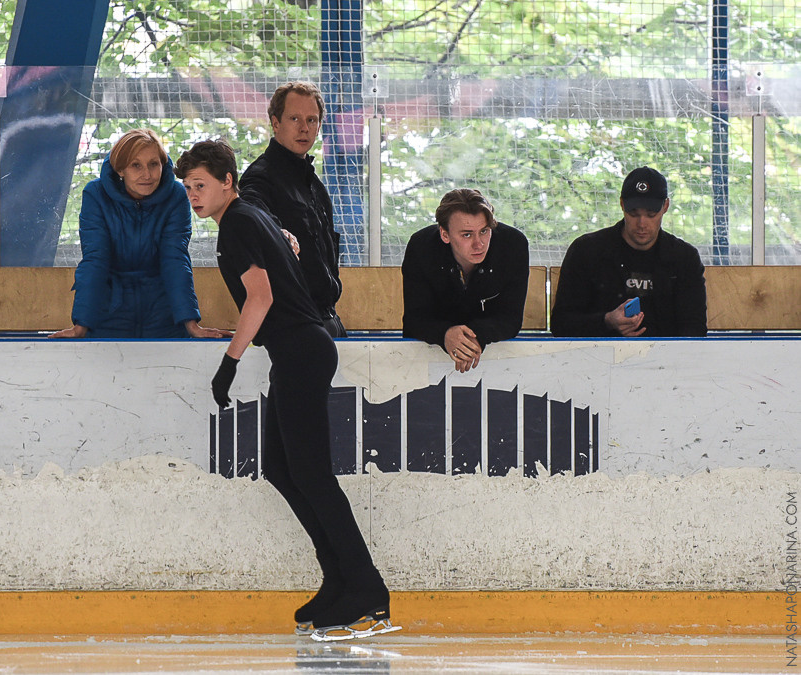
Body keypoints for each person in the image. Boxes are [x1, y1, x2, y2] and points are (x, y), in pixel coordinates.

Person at [174, 140, 393, 638]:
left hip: (301, 351)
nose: (193, 195)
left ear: (228, 180)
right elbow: (287, 250)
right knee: (281, 468)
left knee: (312, 475)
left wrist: (228, 363)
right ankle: (337, 578)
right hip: (298, 351)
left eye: (201, 185)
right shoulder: (253, 215)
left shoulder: (237, 223)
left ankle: (366, 586)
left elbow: (261, 296)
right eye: (188, 187)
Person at [50, 128, 228, 340]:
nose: (147, 174)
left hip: (163, 316)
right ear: (120, 169)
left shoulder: (176, 196)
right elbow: (95, 259)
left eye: (154, 164)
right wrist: (81, 324)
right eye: (136, 165)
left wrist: (191, 323)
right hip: (110, 315)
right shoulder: (96, 194)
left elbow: (175, 258)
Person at [238, 81, 347, 338]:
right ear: (276, 123)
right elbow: (250, 211)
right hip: (293, 326)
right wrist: (278, 231)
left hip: (328, 319)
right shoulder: (260, 177)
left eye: (312, 120)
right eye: (294, 118)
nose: (304, 128)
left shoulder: (314, 185)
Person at [550, 166, 707, 337]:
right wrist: (607, 321)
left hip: (667, 360)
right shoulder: (587, 252)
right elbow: (561, 324)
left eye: (651, 214)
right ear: (622, 204)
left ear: (666, 206)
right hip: (597, 358)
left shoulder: (684, 258)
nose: (641, 223)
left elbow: (694, 330)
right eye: (633, 213)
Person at [401, 188, 530, 373]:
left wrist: (474, 338)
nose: (479, 244)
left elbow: (511, 317)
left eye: (484, 231)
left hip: (499, 364)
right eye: (467, 235)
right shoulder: (422, 247)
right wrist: (445, 334)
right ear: (445, 235)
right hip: (424, 363)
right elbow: (416, 318)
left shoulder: (513, 244)